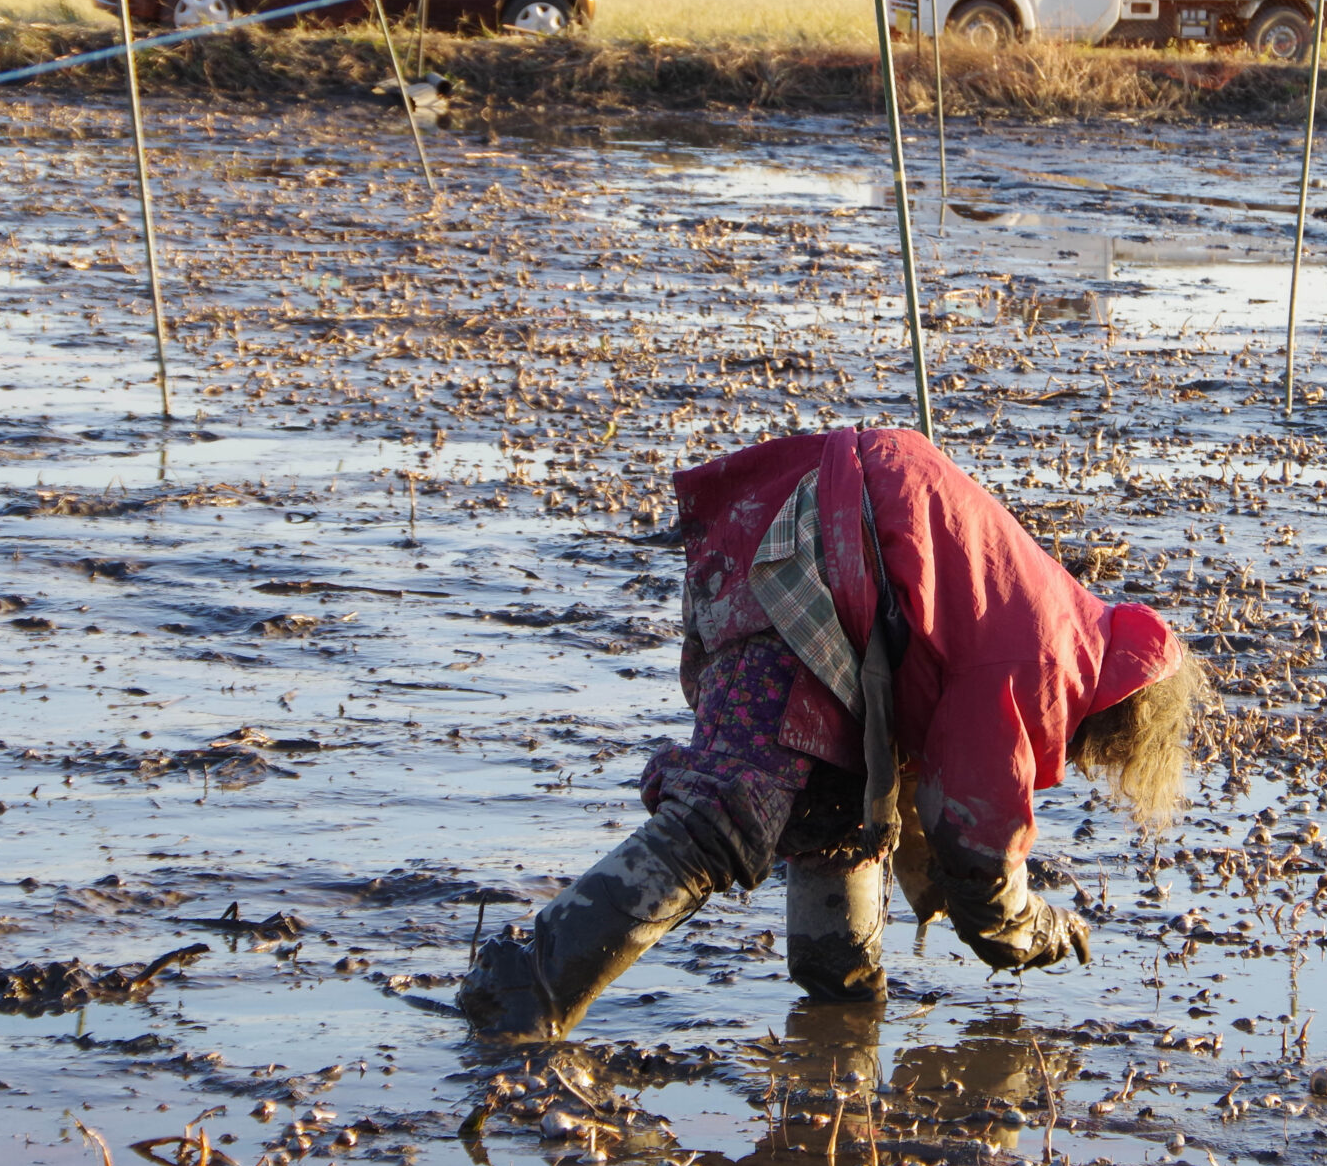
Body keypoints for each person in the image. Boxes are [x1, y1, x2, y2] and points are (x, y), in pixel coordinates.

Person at [458, 426, 1202, 1042]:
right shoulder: (1045, 655)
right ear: (1120, 714)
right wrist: (1033, 926)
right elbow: (973, 839)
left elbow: (921, 783)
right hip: (800, 570)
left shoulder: (1054, 620)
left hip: (819, 568)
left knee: (839, 811)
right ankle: (529, 984)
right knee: (727, 814)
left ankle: (840, 1020)